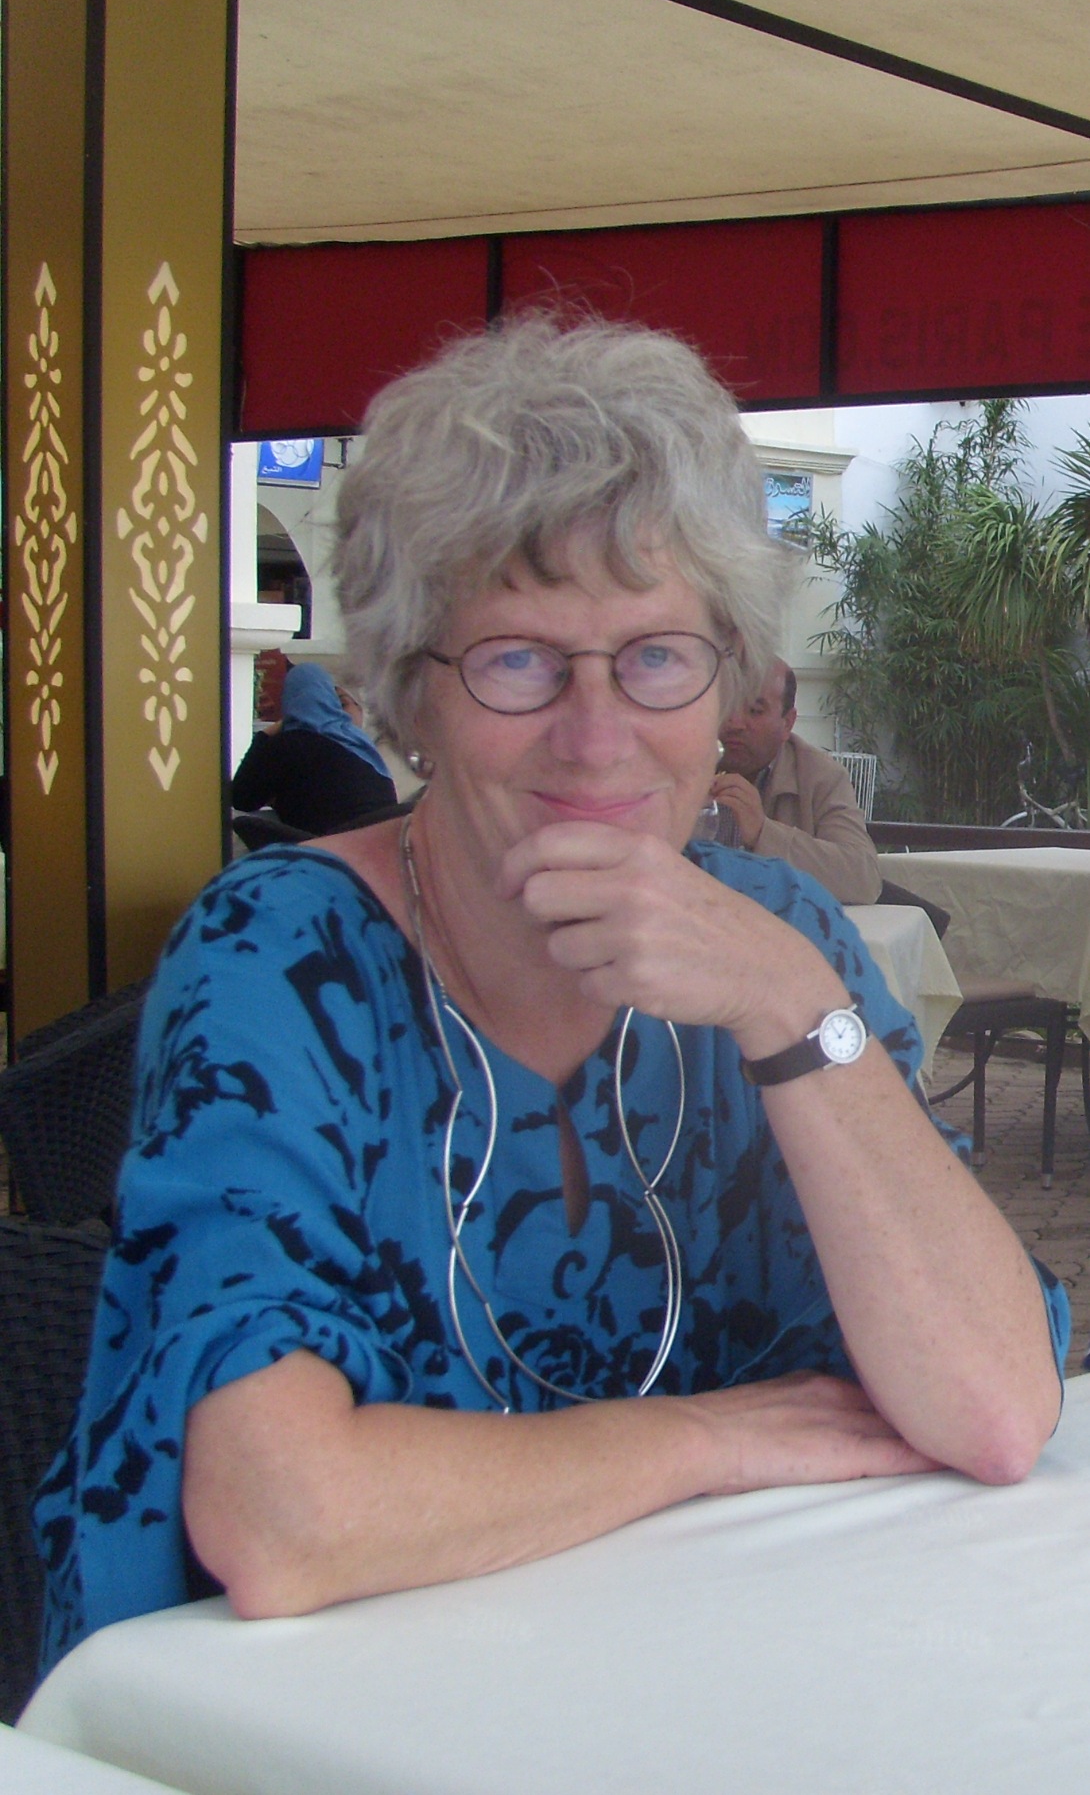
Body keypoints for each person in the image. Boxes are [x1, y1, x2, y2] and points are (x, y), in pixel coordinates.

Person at [35, 314, 1066, 1674]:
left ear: (725, 686)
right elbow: (282, 1519)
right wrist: (704, 1439)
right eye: (516, 658)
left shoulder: (775, 932)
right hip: (306, 1705)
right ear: (407, 695)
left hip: (692, 1671)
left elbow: (992, 1406)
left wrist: (788, 1005)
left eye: (656, 655)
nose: (596, 735)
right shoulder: (281, 955)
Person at [709, 659, 882, 904]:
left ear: (787, 723)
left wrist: (762, 832)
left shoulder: (819, 776)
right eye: (726, 705)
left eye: (755, 711)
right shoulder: (676, 764)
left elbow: (862, 878)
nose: (734, 723)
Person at [231, 660, 397, 835]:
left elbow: (241, 799)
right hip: (381, 842)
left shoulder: (289, 744)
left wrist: (263, 736)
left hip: (328, 846)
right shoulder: (359, 742)